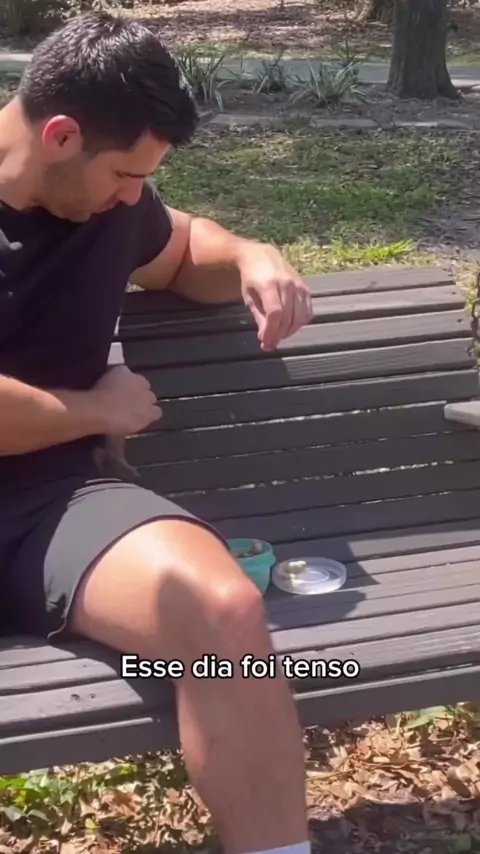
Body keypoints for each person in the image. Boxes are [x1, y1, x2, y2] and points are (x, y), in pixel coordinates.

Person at [0, 12, 314, 854]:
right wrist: (99, 412)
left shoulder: (106, 205)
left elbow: (179, 252)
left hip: (54, 503)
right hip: (61, 452)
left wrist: (249, 253)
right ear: (61, 136)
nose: (133, 195)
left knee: (222, 611)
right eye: (125, 173)